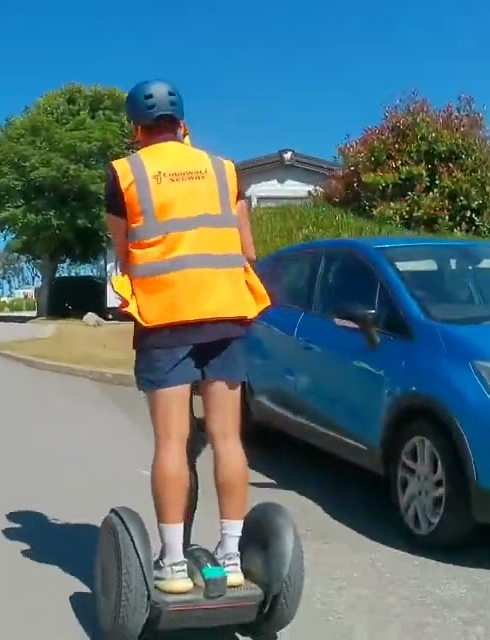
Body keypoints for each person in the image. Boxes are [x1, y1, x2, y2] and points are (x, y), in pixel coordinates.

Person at [106, 80, 271, 594]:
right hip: (226, 315)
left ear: (136, 127)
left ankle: (173, 563)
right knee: (226, 438)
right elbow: (246, 246)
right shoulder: (224, 171)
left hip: (165, 319)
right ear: (183, 125)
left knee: (172, 443)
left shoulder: (125, 173)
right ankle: (231, 553)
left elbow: (125, 256)